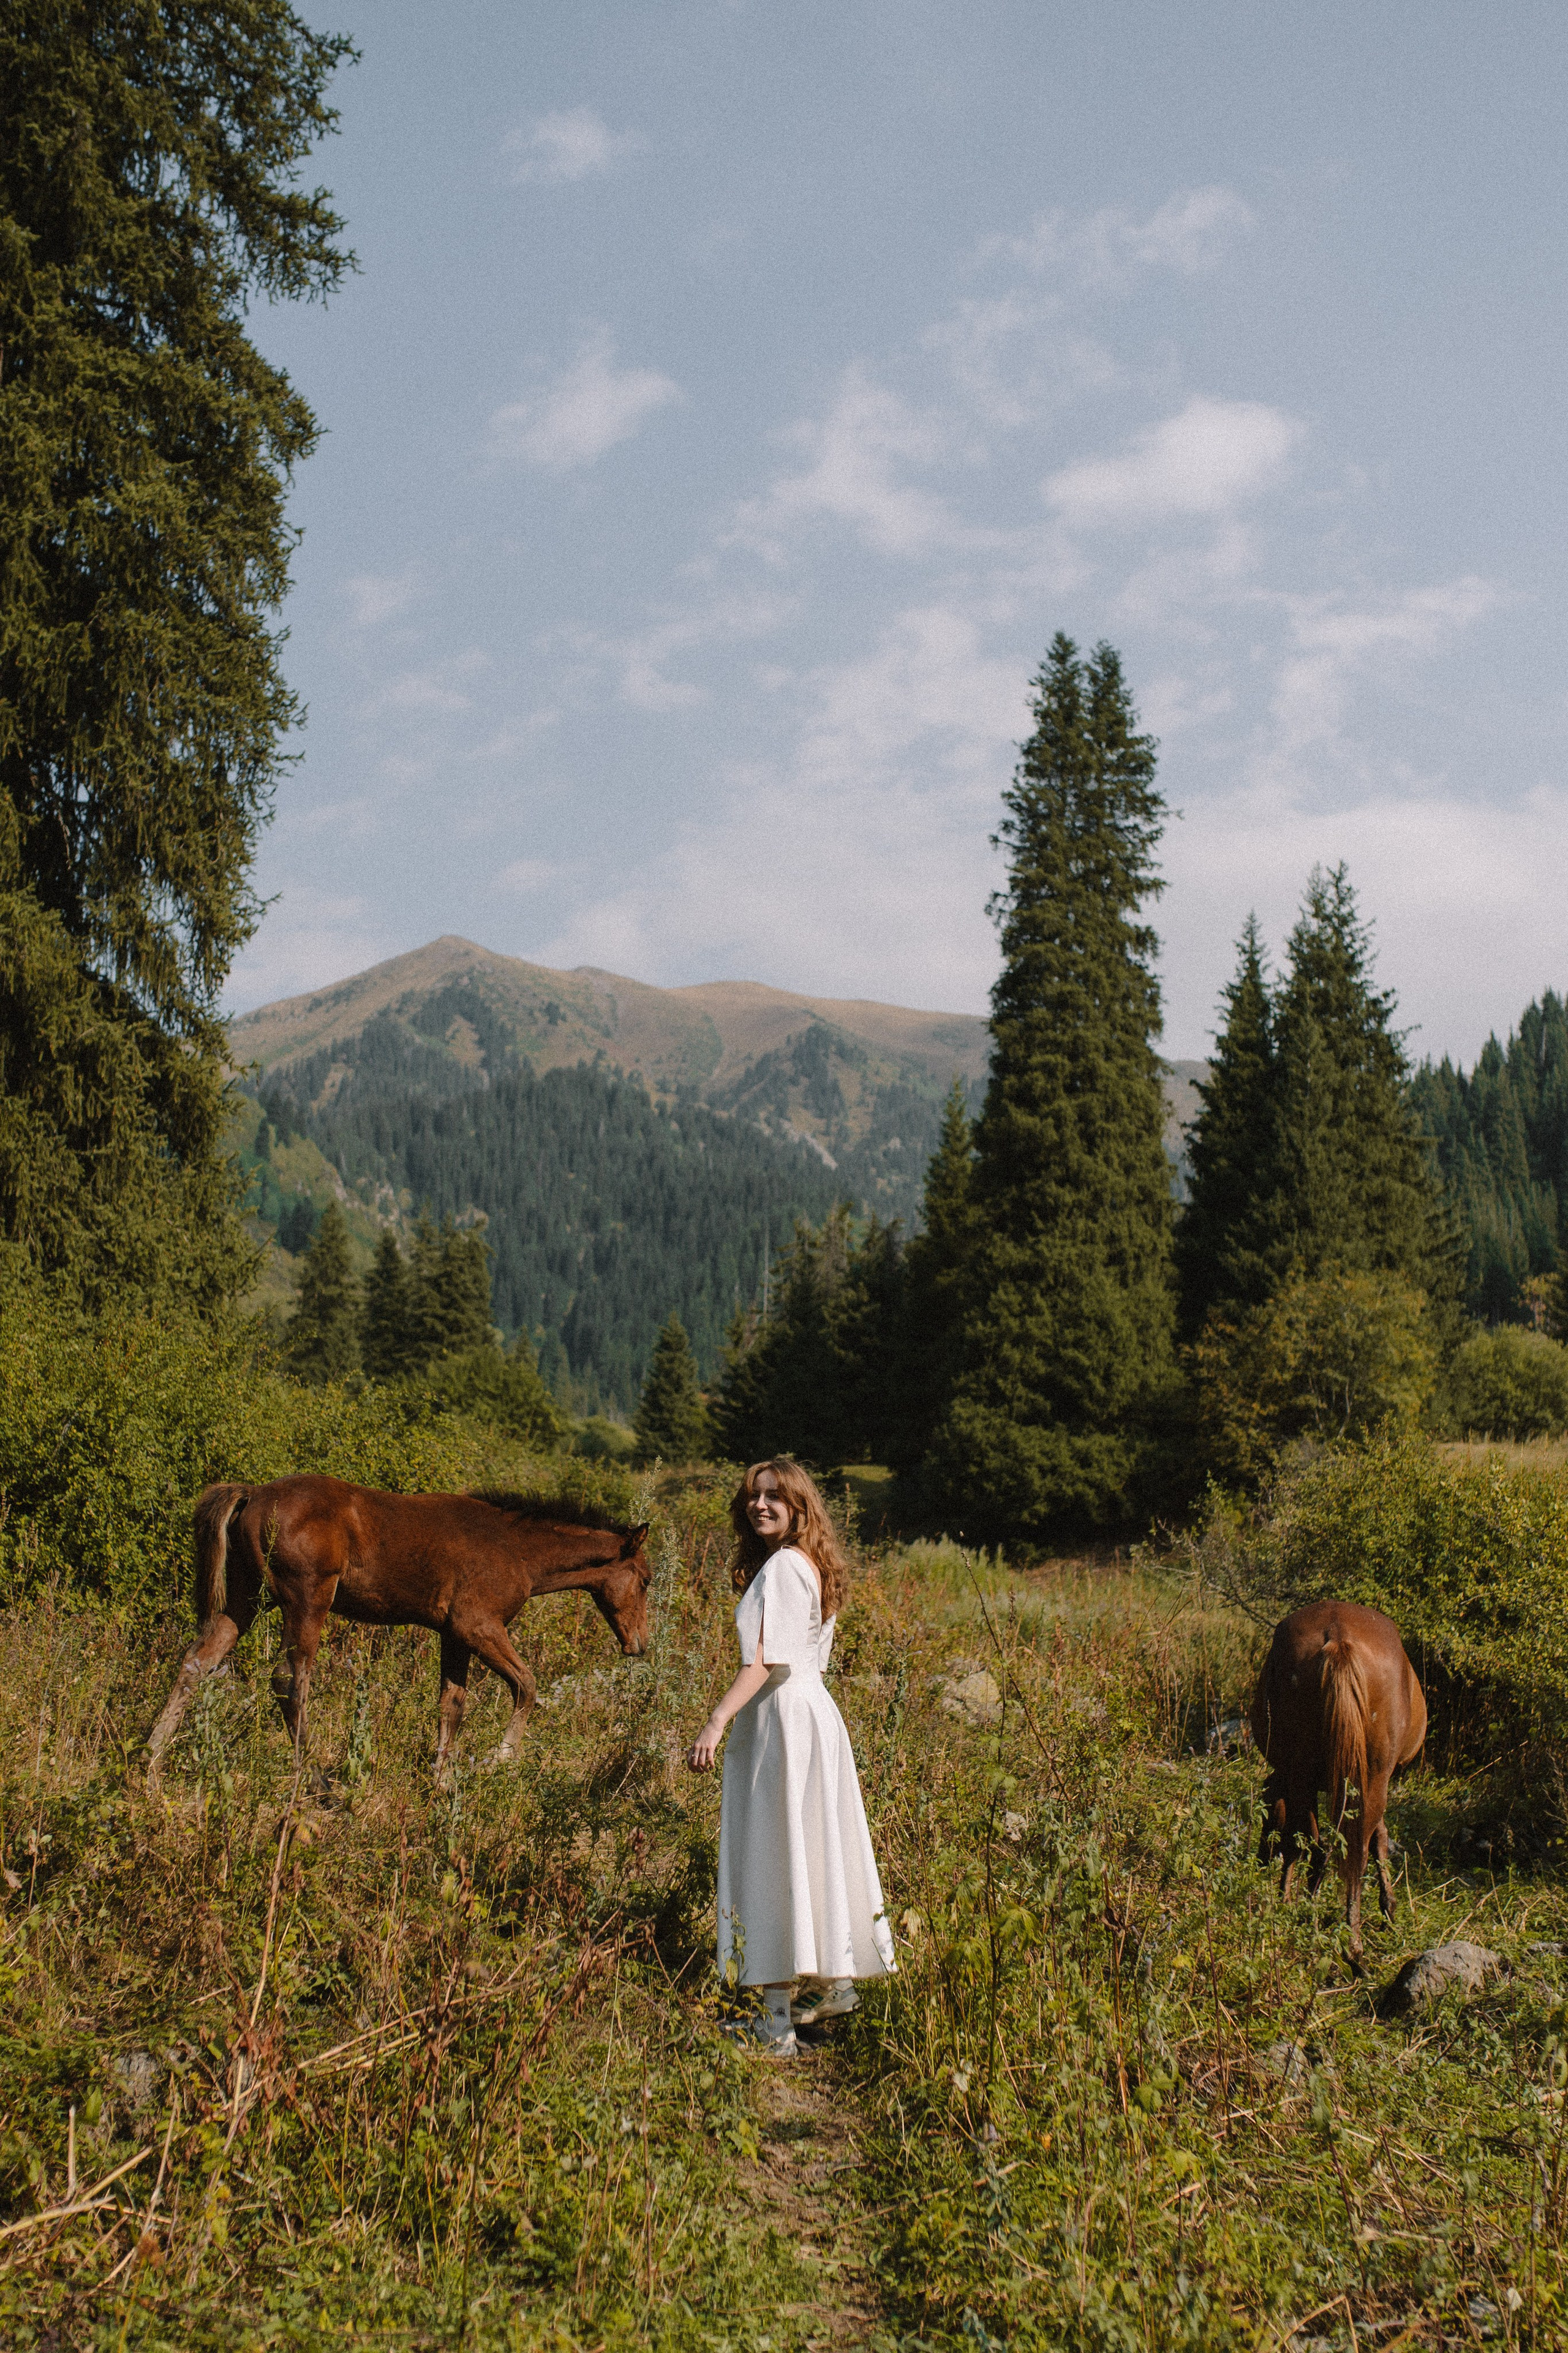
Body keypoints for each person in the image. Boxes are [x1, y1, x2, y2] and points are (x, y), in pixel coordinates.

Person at [687, 1456, 895, 2055]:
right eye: (754, 1495)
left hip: (782, 1717)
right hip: (811, 1714)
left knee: (773, 1855)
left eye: (775, 1496)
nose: (760, 1504)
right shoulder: (809, 1563)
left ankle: (775, 2023)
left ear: (799, 1506)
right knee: (803, 1851)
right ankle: (826, 1988)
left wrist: (717, 1719)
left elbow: (766, 1659)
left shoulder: (782, 1566)